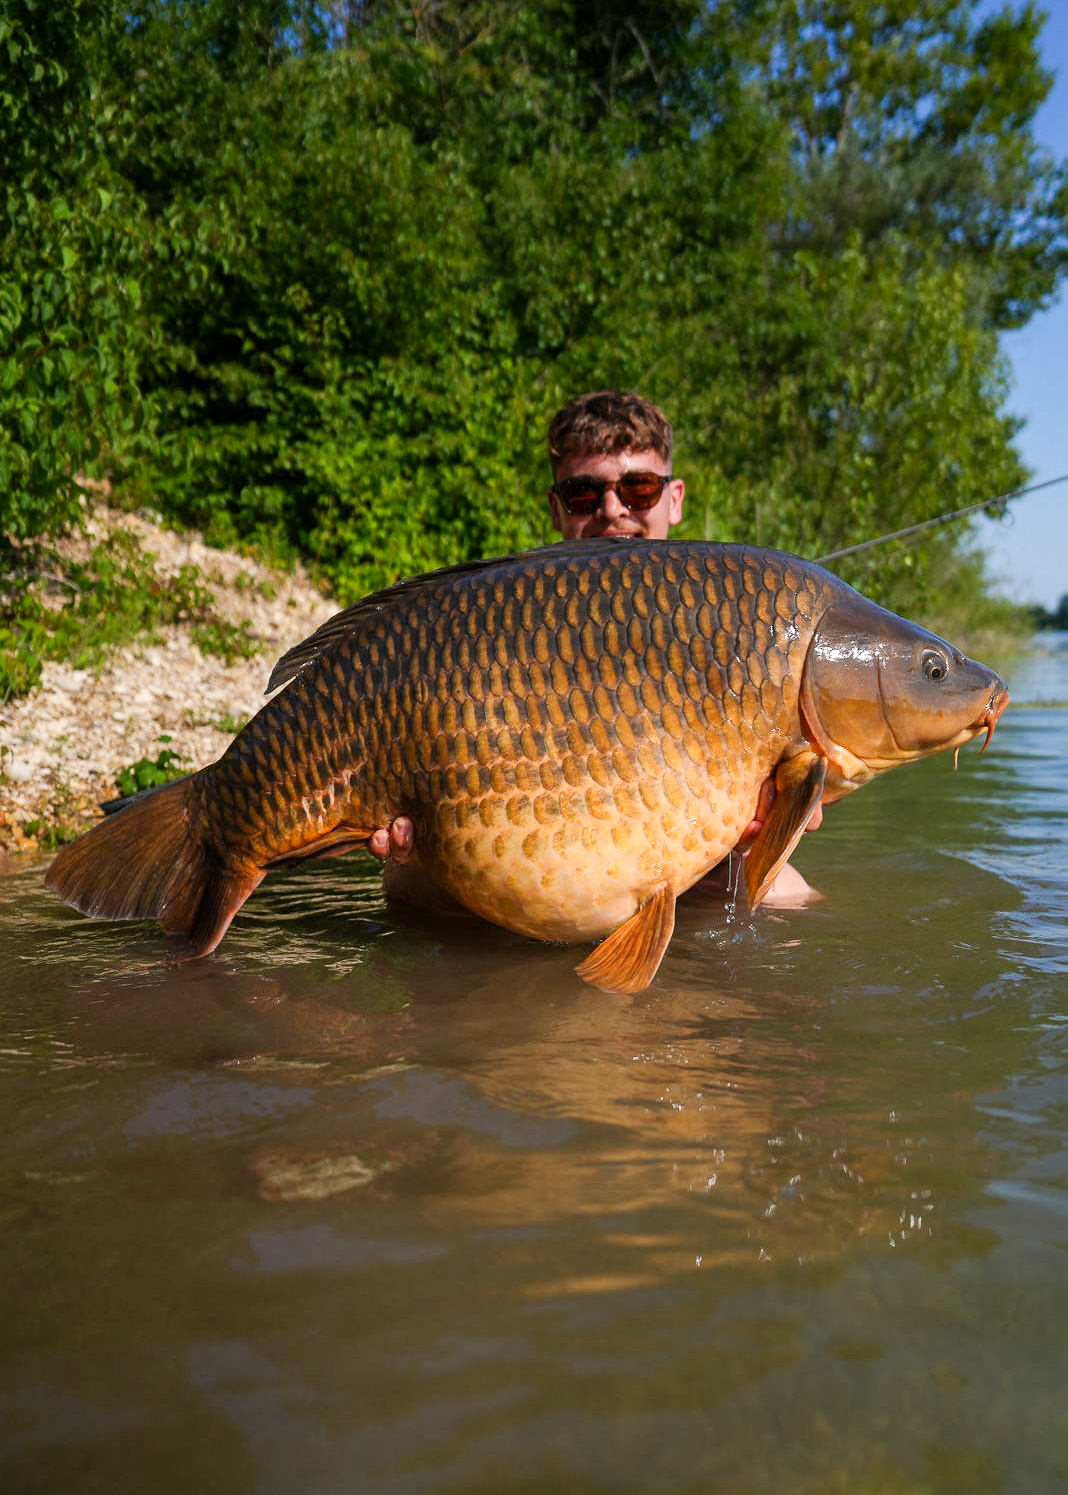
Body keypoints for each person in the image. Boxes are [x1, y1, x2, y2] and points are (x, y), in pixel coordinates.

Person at [368, 389, 820, 907]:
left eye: (639, 489)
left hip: (686, 856)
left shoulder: (739, 634)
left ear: (673, 499)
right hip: (526, 862)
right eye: (585, 494)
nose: (612, 510)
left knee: (791, 898)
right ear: (557, 508)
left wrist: (780, 809)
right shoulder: (494, 622)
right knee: (405, 886)